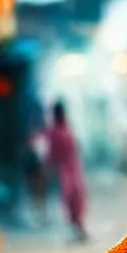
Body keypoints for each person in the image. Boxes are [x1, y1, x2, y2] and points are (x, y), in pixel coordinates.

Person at [44, 101, 88, 242]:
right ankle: (75, 228)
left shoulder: (67, 128)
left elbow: (76, 147)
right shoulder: (54, 132)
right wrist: (48, 169)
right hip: (65, 170)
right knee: (70, 198)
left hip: (73, 167)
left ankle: (80, 227)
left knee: (79, 196)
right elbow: (51, 154)